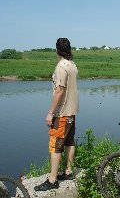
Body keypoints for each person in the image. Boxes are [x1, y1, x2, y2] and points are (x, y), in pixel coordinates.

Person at [35, 38, 79, 191]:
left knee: (55, 145)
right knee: (69, 142)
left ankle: (52, 180)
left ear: (56, 50)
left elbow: (59, 91)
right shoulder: (72, 65)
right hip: (72, 112)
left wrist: (50, 113)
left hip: (61, 114)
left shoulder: (61, 67)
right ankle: (68, 172)